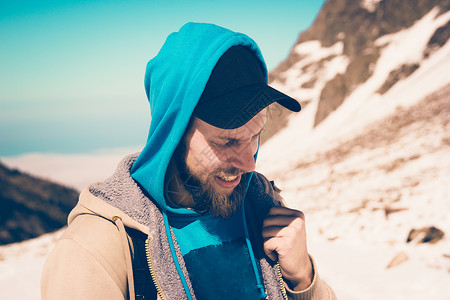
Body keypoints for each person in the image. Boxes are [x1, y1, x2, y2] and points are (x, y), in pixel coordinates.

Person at [41, 22, 336, 300]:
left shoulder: (263, 207)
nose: (249, 164)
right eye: (227, 141)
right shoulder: (95, 252)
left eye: (255, 135)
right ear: (174, 132)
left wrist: (302, 278)